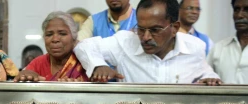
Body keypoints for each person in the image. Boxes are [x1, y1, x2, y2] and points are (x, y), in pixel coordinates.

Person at [74, 0, 221, 86]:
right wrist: (98, 65)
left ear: (174, 28)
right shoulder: (125, 42)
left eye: (155, 30)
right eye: (141, 29)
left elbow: (207, 74)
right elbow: (84, 46)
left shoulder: (195, 47)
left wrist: (210, 80)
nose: (145, 37)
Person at [14, 11, 89, 104]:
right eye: (49, 34)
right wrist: (25, 75)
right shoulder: (39, 62)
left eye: (62, 34)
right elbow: (22, 77)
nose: (55, 39)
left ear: (74, 37)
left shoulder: (85, 61)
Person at [207, 0, 248, 84]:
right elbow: (204, 79)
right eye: (236, 9)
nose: (239, 15)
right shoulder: (218, 48)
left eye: (246, 10)